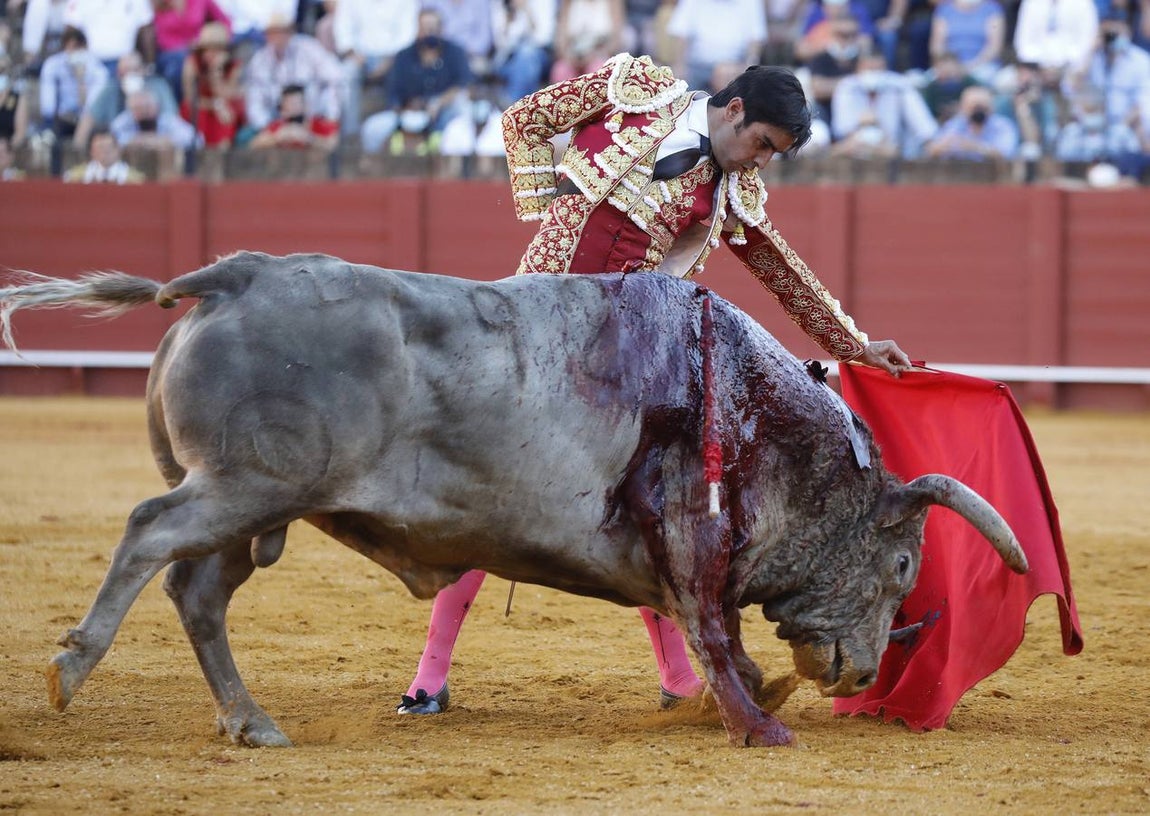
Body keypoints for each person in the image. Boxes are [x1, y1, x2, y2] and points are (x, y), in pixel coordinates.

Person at [396, 53, 912, 716]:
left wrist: (856, 346)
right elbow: (525, 120)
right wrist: (551, 213)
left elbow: (785, 274)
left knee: (650, 505)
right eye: (761, 143)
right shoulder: (638, 94)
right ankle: (429, 678)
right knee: (491, 492)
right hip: (533, 326)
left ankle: (679, 678)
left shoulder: (734, 192)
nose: (760, 162)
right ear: (733, 111)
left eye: (773, 154)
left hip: (618, 357)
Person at [358, 8, 473, 155]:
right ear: (417, 30)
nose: (429, 33)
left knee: (462, 112)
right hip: (408, 115)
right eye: (425, 29)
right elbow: (394, 94)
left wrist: (438, 103)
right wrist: (407, 109)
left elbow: (464, 85)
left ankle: (458, 171)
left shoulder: (455, 52)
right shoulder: (404, 56)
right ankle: (377, 171)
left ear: (441, 29)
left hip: (443, 113)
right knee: (372, 129)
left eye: (433, 28)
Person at [331, 0, 419, 138]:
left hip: (394, 57)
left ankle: (396, 130)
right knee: (347, 72)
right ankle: (350, 133)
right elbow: (343, 29)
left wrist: (389, 61)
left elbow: (407, 36)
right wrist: (354, 54)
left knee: (404, 71)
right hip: (359, 56)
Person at [244, 13, 342, 134]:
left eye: (282, 32)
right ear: (267, 35)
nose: (278, 37)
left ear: (290, 32)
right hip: (276, 123)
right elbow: (255, 101)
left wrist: (330, 116)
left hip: (312, 117)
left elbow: (335, 76)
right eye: (274, 33)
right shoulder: (258, 61)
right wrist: (267, 128)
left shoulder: (309, 48)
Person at [830, 50, 938, 157]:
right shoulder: (846, 87)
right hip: (855, 146)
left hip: (893, 148)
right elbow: (842, 129)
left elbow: (923, 125)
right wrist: (862, 127)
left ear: (885, 68)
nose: (873, 73)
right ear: (859, 68)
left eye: (877, 69)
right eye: (869, 68)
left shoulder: (900, 85)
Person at [73, 50, 178, 150]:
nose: (130, 75)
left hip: (160, 149)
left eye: (135, 69)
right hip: (118, 153)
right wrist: (78, 152)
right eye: (125, 71)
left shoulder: (158, 86)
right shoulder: (110, 89)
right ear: (119, 74)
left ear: (144, 70)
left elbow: (173, 122)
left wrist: (149, 140)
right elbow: (88, 120)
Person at [666, 0, 767, 92]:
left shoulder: (752, 2)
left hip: (734, 66)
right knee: (679, 90)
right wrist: (679, 66)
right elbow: (681, 34)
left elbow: (756, 38)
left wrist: (748, 67)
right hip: (696, 66)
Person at [37, 26, 108, 142]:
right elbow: (48, 101)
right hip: (62, 118)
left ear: (85, 47)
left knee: (88, 125)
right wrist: (49, 120)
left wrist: (80, 79)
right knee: (49, 136)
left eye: (78, 48)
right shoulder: (53, 65)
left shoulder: (98, 70)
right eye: (71, 48)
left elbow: (91, 106)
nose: (74, 52)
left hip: (88, 120)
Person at [152, 0, 232, 103]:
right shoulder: (160, 4)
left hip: (199, 49)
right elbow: (163, 39)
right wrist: (186, 47)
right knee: (178, 66)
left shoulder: (200, 1)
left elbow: (224, 21)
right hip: (170, 54)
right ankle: (182, 107)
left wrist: (216, 39)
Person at [180, 22, 245, 148]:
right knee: (200, 113)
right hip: (201, 107)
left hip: (222, 109)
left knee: (229, 111)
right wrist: (215, 105)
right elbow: (190, 99)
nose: (209, 54)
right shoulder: (192, 64)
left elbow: (228, 96)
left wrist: (216, 72)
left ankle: (224, 147)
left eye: (215, 49)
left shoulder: (234, 67)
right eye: (206, 49)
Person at [924, 82, 1018, 159]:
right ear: (963, 108)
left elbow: (1005, 154)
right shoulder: (957, 124)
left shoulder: (1003, 125)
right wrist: (943, 146)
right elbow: (932, 150)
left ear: (991, 107)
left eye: (982, 107)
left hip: (997, 178)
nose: (979, 111)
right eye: (975, 107)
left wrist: (974, 147)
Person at [928, 0, 1005, 83]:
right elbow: (937, 46)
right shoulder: (944, 9)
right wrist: (949, 65)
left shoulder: (993, 8)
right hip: (949, 65)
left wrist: (970, 67)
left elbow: (994, 47)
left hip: (983, 66)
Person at [248, 82, 338, 149]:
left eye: (296, 103)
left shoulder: (317, 124)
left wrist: (310, 139)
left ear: (305, 105)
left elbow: (334, 144)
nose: (293, 108)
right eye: (289, 104)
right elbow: (253, 145)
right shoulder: (278, 127)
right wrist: (277, 138)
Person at [109, 87, 197, 150]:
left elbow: (195, 139)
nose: (144, 112)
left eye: (147, 107)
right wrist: (135, 140)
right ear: (131, 110)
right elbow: (110, 138)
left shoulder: (167, 120)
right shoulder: (125, 120)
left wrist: (166, 140)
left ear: (157, 107)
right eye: (138, 108)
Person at [62, 127, 145, 182]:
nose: (105, 153)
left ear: (118, 150)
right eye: (100, 148)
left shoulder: (135, 180)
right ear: (92, 152)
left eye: (109, 148)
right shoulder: (75, 178)